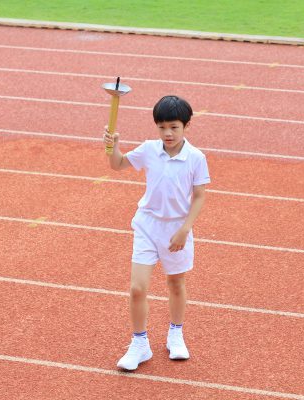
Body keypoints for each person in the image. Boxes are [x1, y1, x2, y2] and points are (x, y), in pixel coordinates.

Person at [103, 95, 211, 371]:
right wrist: (112, 147)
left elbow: (199, 196)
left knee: (175, 283)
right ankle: (140, 343)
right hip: (147, 225)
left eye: (174, 127)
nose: (167, 133)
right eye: (162, 127)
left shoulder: (196, 158)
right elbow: (118, 164)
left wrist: (185, 230)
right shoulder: (149, 149)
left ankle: (176, 334)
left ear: (186, 125)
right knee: (137, 288)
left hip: (177, 229)